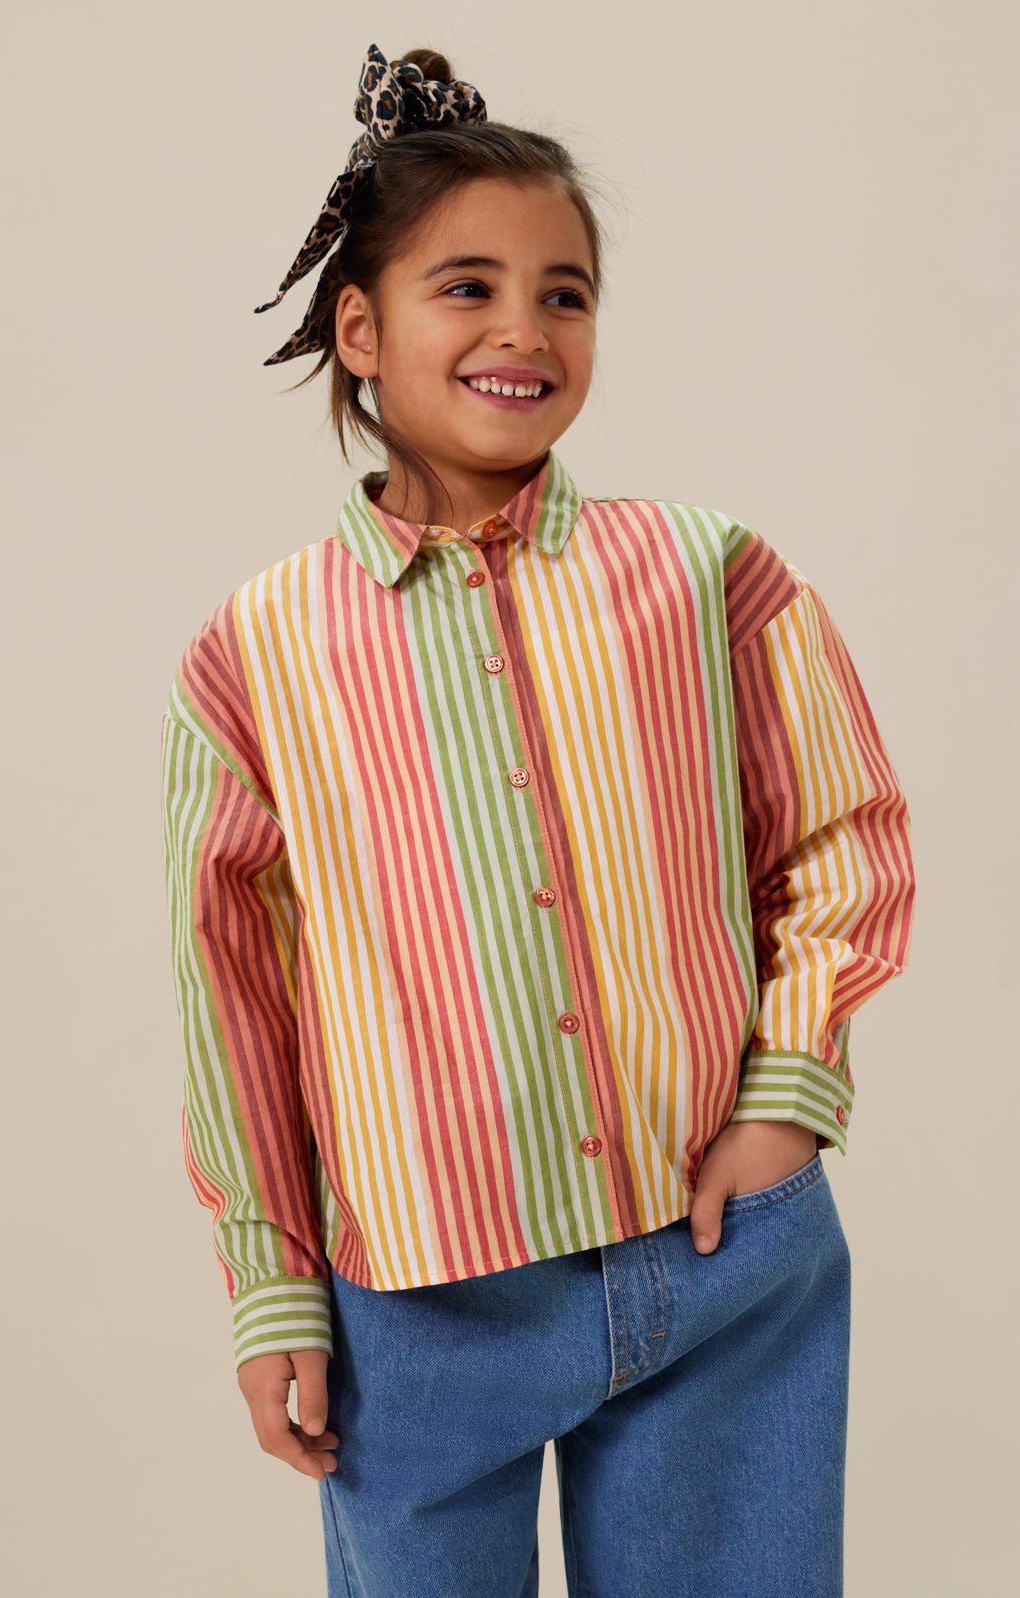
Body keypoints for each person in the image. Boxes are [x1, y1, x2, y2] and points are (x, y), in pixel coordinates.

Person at [160, 41, 916, 1598]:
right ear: (359, 330)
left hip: (719, 1258)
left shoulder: (704, 574)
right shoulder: (257, 651)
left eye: (563, 293)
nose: (523, 328)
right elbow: (230, 988)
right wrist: (269, 1283)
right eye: (468, 287)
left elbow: (838, 835)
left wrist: (785, 1096)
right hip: (417, 1297)